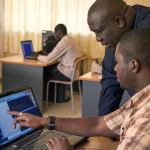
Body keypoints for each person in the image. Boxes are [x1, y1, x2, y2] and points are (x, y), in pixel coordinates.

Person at [6, 28, 150, 150]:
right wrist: (44, 121)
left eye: (117, 62)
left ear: (133, 65)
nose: (115, 68)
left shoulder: (145, 120)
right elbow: (97, 124)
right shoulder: (139, 102)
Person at [87, 0, 150, 116]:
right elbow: (110, 83)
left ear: (119, 22)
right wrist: (102, 129)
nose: (97, 39)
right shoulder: (115, 39)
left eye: (99, 31)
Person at [32, 24, 81, 102]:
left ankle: (40, 99)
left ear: (59, 33)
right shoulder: (70, 39)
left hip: (67, 74)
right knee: (48, 69)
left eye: (55, 34)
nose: (55, 36)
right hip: (73, 73)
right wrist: (47, 54)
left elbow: (48, 60)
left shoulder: (64, 42)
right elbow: (58, 56)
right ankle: (58, 98)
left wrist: (37, 56)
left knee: (41, 72)